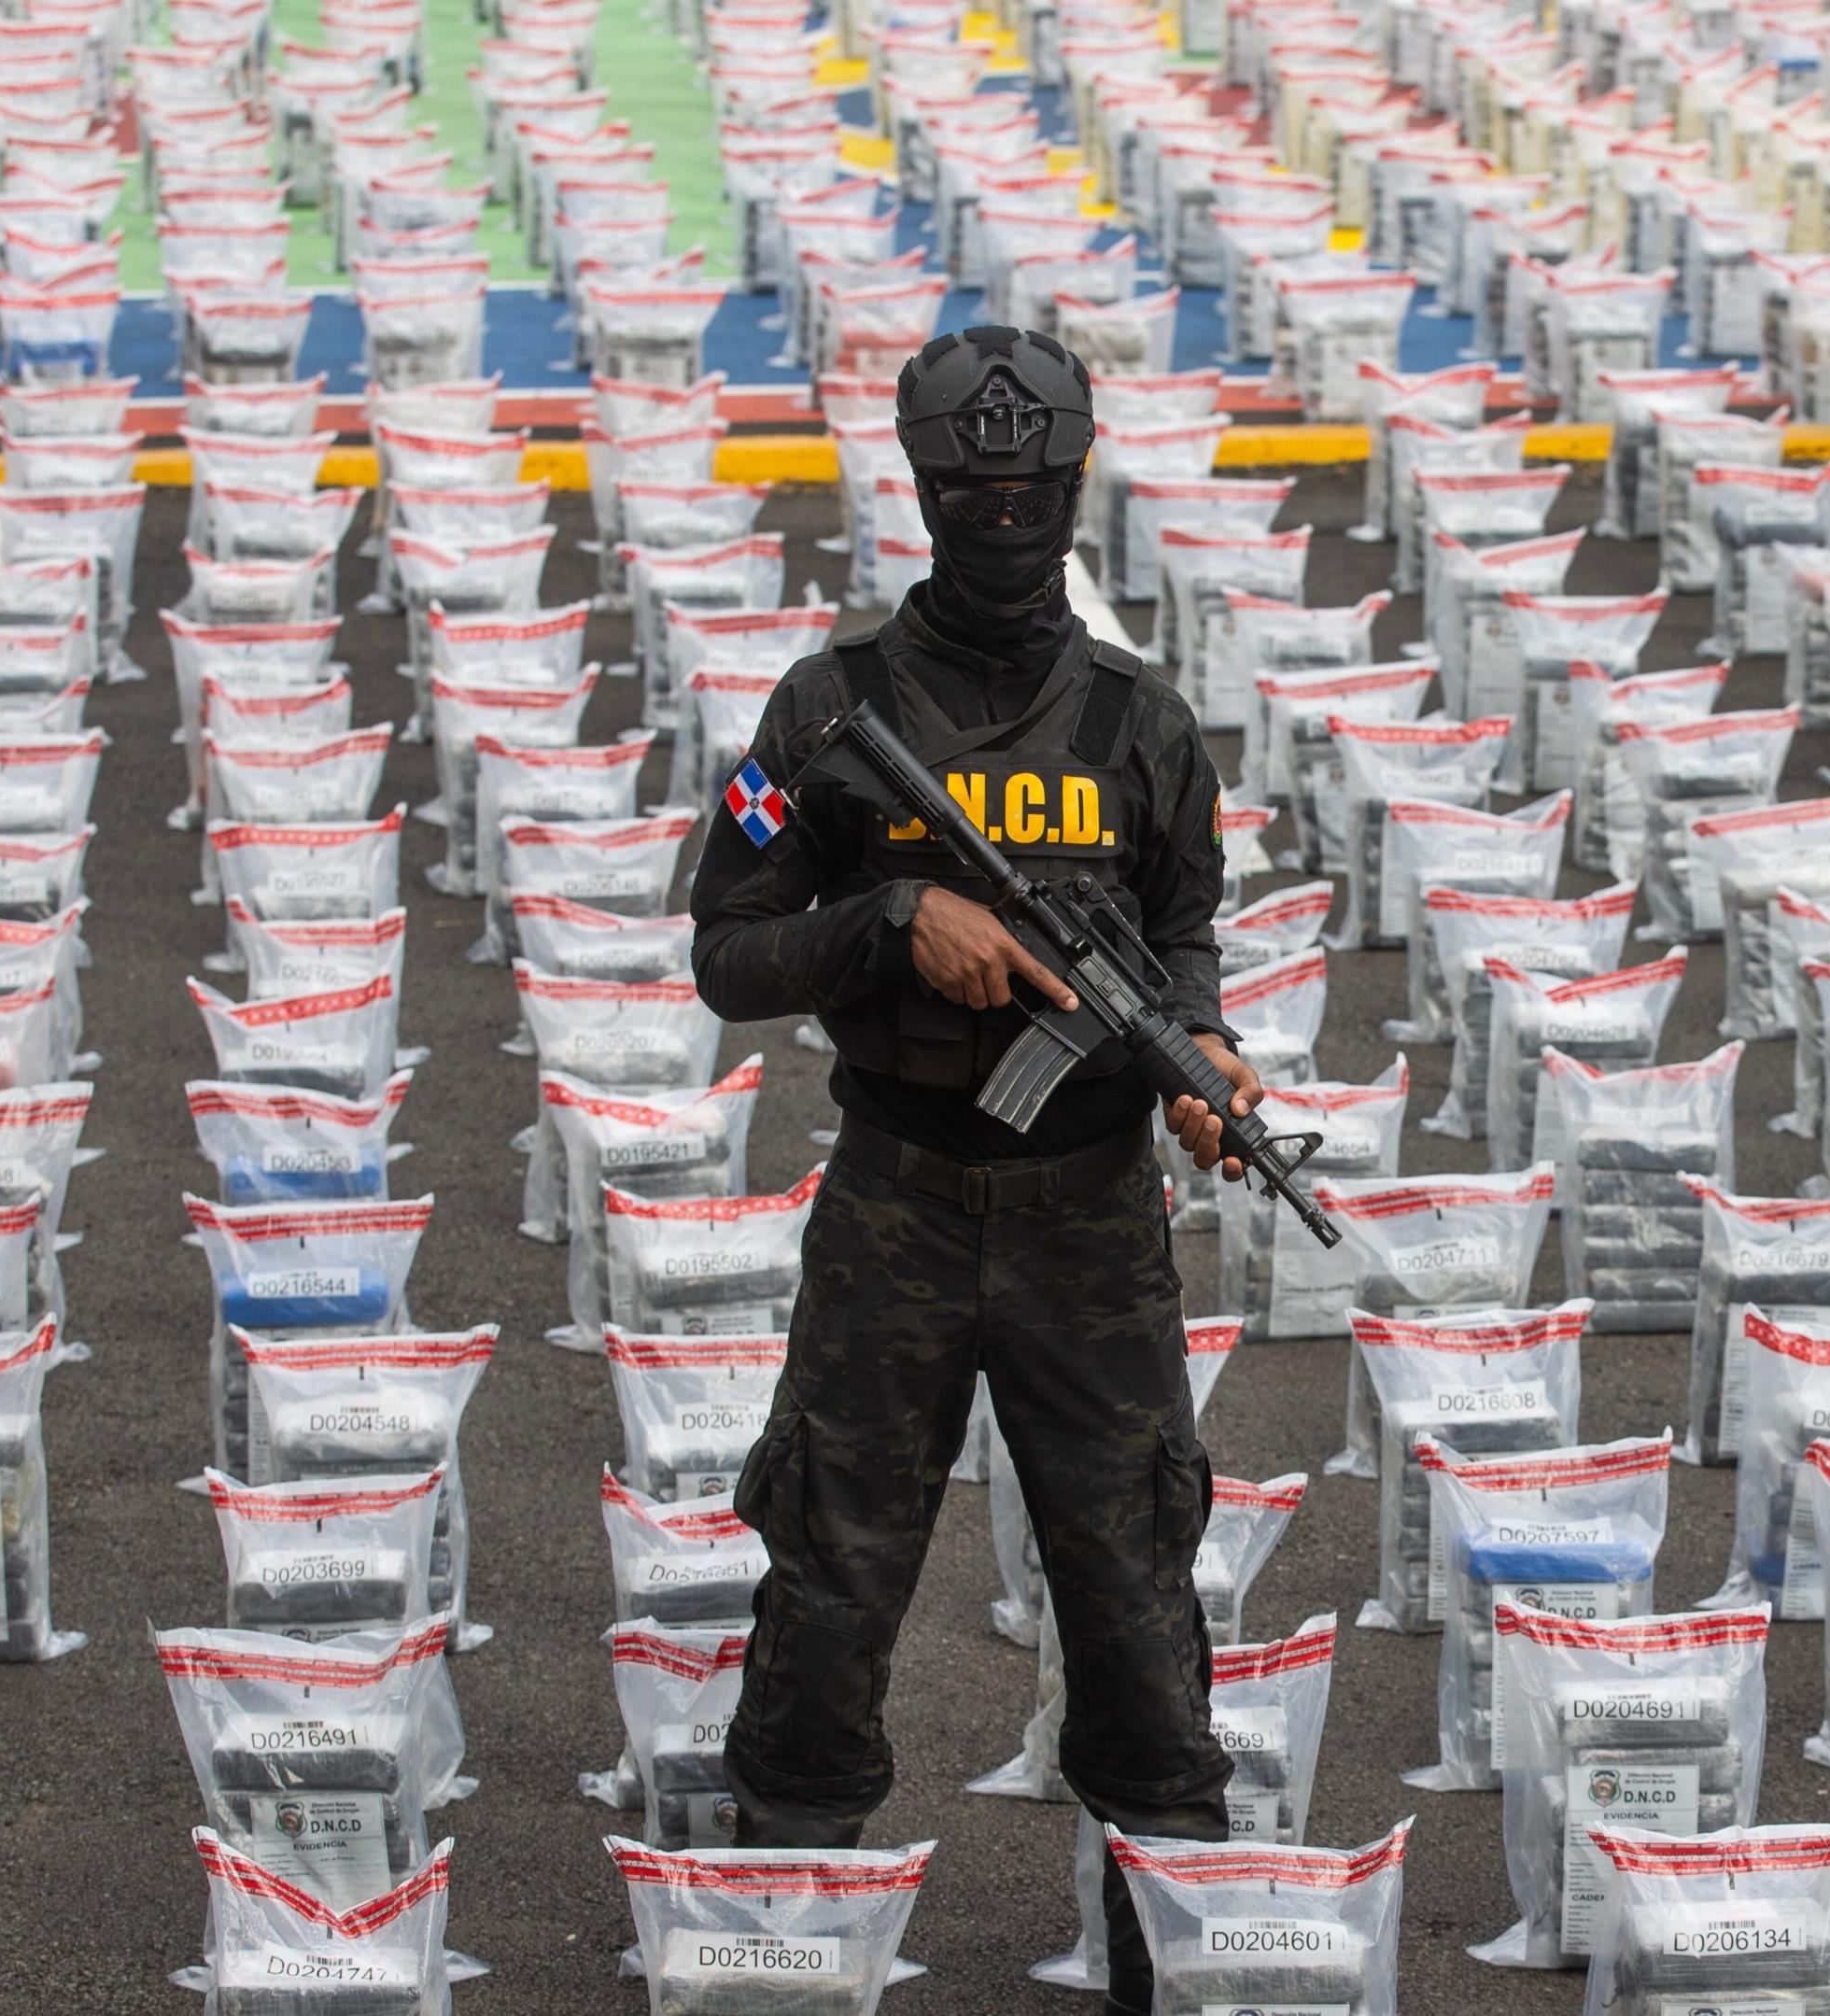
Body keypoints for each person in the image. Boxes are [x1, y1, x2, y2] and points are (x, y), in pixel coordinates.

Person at [688, 324, 1257, 2015]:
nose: (1004, 516)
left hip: (1093, 1216)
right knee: (834, 1570)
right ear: (927, 493)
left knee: (1136, 1585)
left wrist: (1203, 1061)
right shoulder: (829, 709)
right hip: (900, 1199)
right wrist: (889, 919)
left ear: (1072, 489)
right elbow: (726, 944)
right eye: (972, 489)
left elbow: (1182, 935)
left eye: (1031, 489)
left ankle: (1174, 1955)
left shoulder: (1145, 727)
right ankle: (784, 1960)